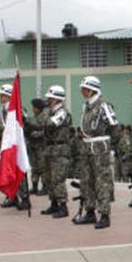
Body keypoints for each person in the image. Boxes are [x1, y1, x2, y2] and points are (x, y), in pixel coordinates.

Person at [73, 76, 118, 229]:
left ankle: (104, 215)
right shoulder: (86, 106)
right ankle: (90, 211)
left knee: (102, 182)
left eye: (85, 89)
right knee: (87, 181)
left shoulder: (103, 105)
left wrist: (112, 148)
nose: (82, 91)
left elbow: (114, 127)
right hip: (86, 148)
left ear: (93, 89)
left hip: (100, 149)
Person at [40, 85, 73, 218]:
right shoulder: (50, 111)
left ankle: (63, 206)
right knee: (48, 178)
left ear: (56, 99)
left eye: (50, 98)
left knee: (58, 179)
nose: (48, 100)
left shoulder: (62, 112)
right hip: (49, 149)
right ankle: (53, 203)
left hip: (59, 150)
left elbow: (49, 124)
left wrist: (43, 114)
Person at [0, 85, 30, 211]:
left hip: (17, 144)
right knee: (9, 170)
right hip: (7, 144)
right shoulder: (2, 109)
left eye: (4, 95)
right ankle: (12, 196)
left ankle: (25, 198)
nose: (2, 98)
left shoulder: (18, 108)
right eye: (1, 95)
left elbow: (24, 122)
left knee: (19, 170)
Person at [27, 98, 48, 195]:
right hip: (34, 145)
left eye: (34, 107)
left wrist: (35, 134)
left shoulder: (44, 116)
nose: (33, 109)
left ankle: (45, 187)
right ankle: (34, 185)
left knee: (42, 167)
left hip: (42, 146)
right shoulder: (35, 117)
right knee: (34, 167)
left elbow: (45, 131)